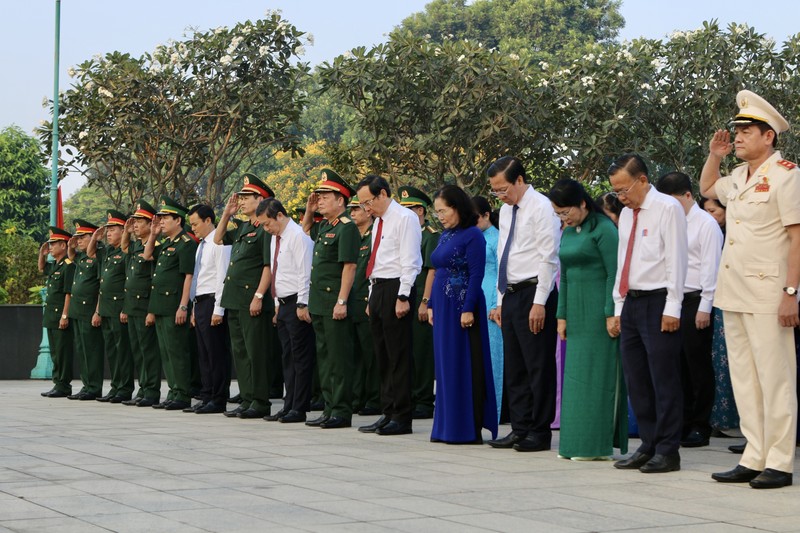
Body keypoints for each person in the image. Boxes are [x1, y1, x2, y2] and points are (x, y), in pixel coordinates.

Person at [700, 90, 800, 489]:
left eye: (745, 131)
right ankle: (753, 454)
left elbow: (797, 237)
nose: (737, 137)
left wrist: (791, 293)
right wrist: (715, 156)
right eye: (736, 131)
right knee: (744, 378)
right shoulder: (738, 177)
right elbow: (708, 187)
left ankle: (779, 461)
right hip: (734, 292)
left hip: (769, 293)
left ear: (768, 136)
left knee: (775, 378)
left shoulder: (787, 175)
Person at [609, 154, 688, 474]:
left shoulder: (668, 209)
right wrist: (618, 306)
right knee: (637, 378)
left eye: (624, 189)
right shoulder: (627, 215)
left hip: (659, 302)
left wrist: (673, 307)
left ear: (642, 180)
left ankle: (669, 449)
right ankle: (648, 443)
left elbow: (676, 260)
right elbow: (622, 262)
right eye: (615, 191)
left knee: (663, 378)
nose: (621, 197)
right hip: (631, 303)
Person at [549, 178, 628, 460]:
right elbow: (565, 275)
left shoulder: (604, 228)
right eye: (558, 214)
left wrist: (610, 312)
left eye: (565, 212)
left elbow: (614, 273)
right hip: (576, 312)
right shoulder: (569, 233)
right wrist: (561, 315)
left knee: (597, 376)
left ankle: (596, 445)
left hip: (598, 310)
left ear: (582, 203)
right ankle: (574, 442)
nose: (563, 218)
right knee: (574, 378)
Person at [486, 156, 560, 452]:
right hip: (513, 293)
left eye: (503, 188)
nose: (501, 195)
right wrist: (501, 298)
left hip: (535, 292)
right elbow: (505, 252)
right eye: (495, 191)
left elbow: (548, 257)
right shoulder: (505, 210)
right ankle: (519, 427)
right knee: (515, 365)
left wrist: (540, 302)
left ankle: (539, 431)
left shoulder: (542, 207)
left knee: (537, 365)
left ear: (519, 180)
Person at [655, 173, 723, 448]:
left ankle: (700, 424)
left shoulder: (706, 224)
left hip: (696, 300)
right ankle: (680, 421)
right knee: (674, 365)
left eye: (673, 201)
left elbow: (711, 268)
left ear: (687, 196)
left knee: (697, 366)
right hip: (670, 300)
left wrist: (705, 307)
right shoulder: (667, 220)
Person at [427, 184, 498, 444]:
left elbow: (476, 274)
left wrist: (468, 308)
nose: (440, 216)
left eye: (443, 210)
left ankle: (464, 428)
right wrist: (432, 303)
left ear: (457, 207)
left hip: (462, 307)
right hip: (443, 308)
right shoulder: (444, 236)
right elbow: (438, 271)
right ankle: (445, 427)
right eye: (437, 212)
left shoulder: (472, 235)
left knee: (462, 364)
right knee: (444, 366)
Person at [356, 175, 422, 436]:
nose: (365, 208)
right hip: (379, 288)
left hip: (397, 287)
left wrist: (403, 296)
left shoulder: (405, 219)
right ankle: (387, 411)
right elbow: (376, 261)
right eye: (362, 204)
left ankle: (402, 416)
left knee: (398, 355)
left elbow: (411, 261)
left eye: (368, 202)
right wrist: (372, 295)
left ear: (382, 194)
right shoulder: (378, 223)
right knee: (382, 354)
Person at [215, 174, 275, 419]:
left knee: (255, 352)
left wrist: (259, 295)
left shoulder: (264, 229)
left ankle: (260, 401)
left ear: (260, 199)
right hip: (235, 299)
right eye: (239, 197)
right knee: (240, 352)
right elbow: (218, 238)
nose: (240, 201)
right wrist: (227, 214)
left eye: (245, 197)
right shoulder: (243, 227)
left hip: (252, 300)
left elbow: (267, 266)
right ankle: (247, 398)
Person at [305, 169, 360, 429]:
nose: (320, 200)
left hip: (334, 302)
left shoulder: (347, 228)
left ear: (341, 200)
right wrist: (309, 210)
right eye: (320, 196)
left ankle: (341, 410)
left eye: (326, 196)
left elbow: (349, 267)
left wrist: (341, 301)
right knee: (324, 358)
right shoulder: (325, 226)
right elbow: (306, 230)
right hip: (319, 302)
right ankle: (329, 407)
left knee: (339, 358)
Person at [257, 198, 315, 424]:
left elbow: (304, 273)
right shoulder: (276, 238)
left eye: (267, 223)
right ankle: (288, 403)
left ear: (279, 215)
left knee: (300, 357)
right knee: (287, 357)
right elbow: (278, 272)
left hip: (297, 302)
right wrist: (277, 305)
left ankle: (299, 407)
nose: (266, 228)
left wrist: (302, 303)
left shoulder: (298, 236)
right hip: (282, 303)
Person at [144, 196, 197, 411]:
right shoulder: (167, 244)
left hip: (175, 305)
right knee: (166, 351)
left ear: (178, 220)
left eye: (166, 218)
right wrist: (154, 234)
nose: (161, 221)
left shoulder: (186, 244)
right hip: (161, 306)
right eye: (161, 218)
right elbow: (147, 255)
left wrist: (183, 305)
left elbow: (188, 276)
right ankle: (174, 391)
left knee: (177, 351)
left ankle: (183, 394)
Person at [186, 204, 232, 414]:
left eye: (195, 224)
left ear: (208, 220)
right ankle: (207, 394)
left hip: (214, 301)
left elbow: (222, 277)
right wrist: (194, 307)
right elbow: (199, 278)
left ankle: (219, 397)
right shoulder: (201, 245)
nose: (193, 228)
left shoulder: (218, 242)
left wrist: (219, 309)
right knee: (204, 353)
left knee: (216, 353)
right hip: (201, 302)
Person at [399, 186, 439, 420]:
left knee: (423, 352)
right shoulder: (407, 233)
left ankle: (424, 399)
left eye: (411, 209)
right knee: (410, 350)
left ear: (421, 210)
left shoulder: (430, 235)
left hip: (421, 298)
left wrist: (425, 301)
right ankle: (413, 396)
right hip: (406, 296)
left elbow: (431, 271)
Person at [120, 200, 162, 407]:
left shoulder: (155, 245)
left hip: (145, 305)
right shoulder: (136, 245)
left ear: (150, 224)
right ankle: (143, 388)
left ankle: (152, 390)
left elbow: (154, 280)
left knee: (148, 350)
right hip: (132, 306)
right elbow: (124, 247)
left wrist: (152, 311)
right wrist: (127, 232)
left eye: (139, 222)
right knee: (138, 350)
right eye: (134, 221)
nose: (135, 225)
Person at [90, 210, 135, 403]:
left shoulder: (127, 251)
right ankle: (115, 386)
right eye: (107, 230)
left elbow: (128, 282)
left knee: (122, 350)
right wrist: (94, 237)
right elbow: (91, 253)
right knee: (112, 350)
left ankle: (124, 388)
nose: (108, 233)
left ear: (123, 230)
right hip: (106, 309)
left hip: (119, 309)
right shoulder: (107, 252)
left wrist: (125, 308)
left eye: (113, 229)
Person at [347, 196, 381, 416]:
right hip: (350, 302)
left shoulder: (374, 236)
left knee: (372, 354)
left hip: (366, 301)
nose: (352, 214)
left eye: (356, 210)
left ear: (368, 212)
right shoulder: (352, 236)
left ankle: (375, 398)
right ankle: (357, 397)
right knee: (355, 355)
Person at [472, 195, 503, 423]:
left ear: (486, 215)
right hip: (473, 298)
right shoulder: (473, 238)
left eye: (476, 218)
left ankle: (497, 408)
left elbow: (502, 272)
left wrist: (496, 304)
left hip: (491, 301)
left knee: (494, 357)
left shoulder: (496, 239)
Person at [67, 219, 104, 401]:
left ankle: (94, 387)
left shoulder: (99, 256)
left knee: (92, 350)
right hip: (77, 311)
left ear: (93, 237)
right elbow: (71, 255)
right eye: (78, 237)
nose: (79, 241)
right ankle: (86, 385)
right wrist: (71, 245)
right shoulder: (81, 257)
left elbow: (100, 286)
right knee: (82, 350)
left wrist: (97, 311)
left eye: (83, 237)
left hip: (89, 310)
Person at [38, 227, 75, 398]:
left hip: (60, 314)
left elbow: (68, 293)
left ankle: (63, 385)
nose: (51, 247)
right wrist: (42, 253)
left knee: (62, 352)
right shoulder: (55, 265)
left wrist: (65, 315)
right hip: (51, 315)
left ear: (63, 245)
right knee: (54, 351)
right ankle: (57, 383)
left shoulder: (68, 265)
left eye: (54, 244)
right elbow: (41, 268)